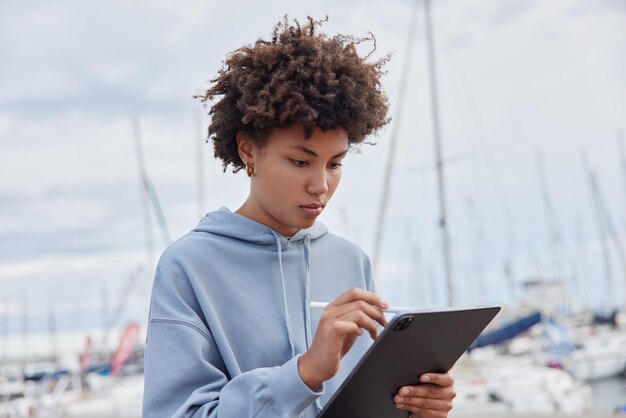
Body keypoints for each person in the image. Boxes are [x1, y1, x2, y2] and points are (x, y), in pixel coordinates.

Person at [142, 16, 456, 418]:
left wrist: (417, 409)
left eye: (335, 164)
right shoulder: (188, 267)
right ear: (248, 150)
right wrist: (304, 374)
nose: (321, 185)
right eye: (299, 161)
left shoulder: (350, 260)